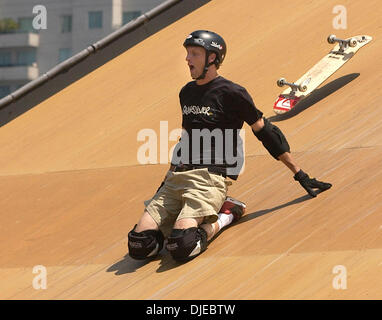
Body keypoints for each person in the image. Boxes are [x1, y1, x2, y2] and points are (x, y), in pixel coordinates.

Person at [128, 30, 332, 262]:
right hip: (179, 177)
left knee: (182, 246)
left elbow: (265, 132)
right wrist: (165, 181)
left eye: (194, 54)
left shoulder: (232, 93)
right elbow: (185, 141)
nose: (187, 59)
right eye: (187, 53)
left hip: (210, 178)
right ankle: (182, 219)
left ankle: (226, 213)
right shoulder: (186, 92)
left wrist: (299, 173)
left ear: (212, 58)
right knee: (139, 245)